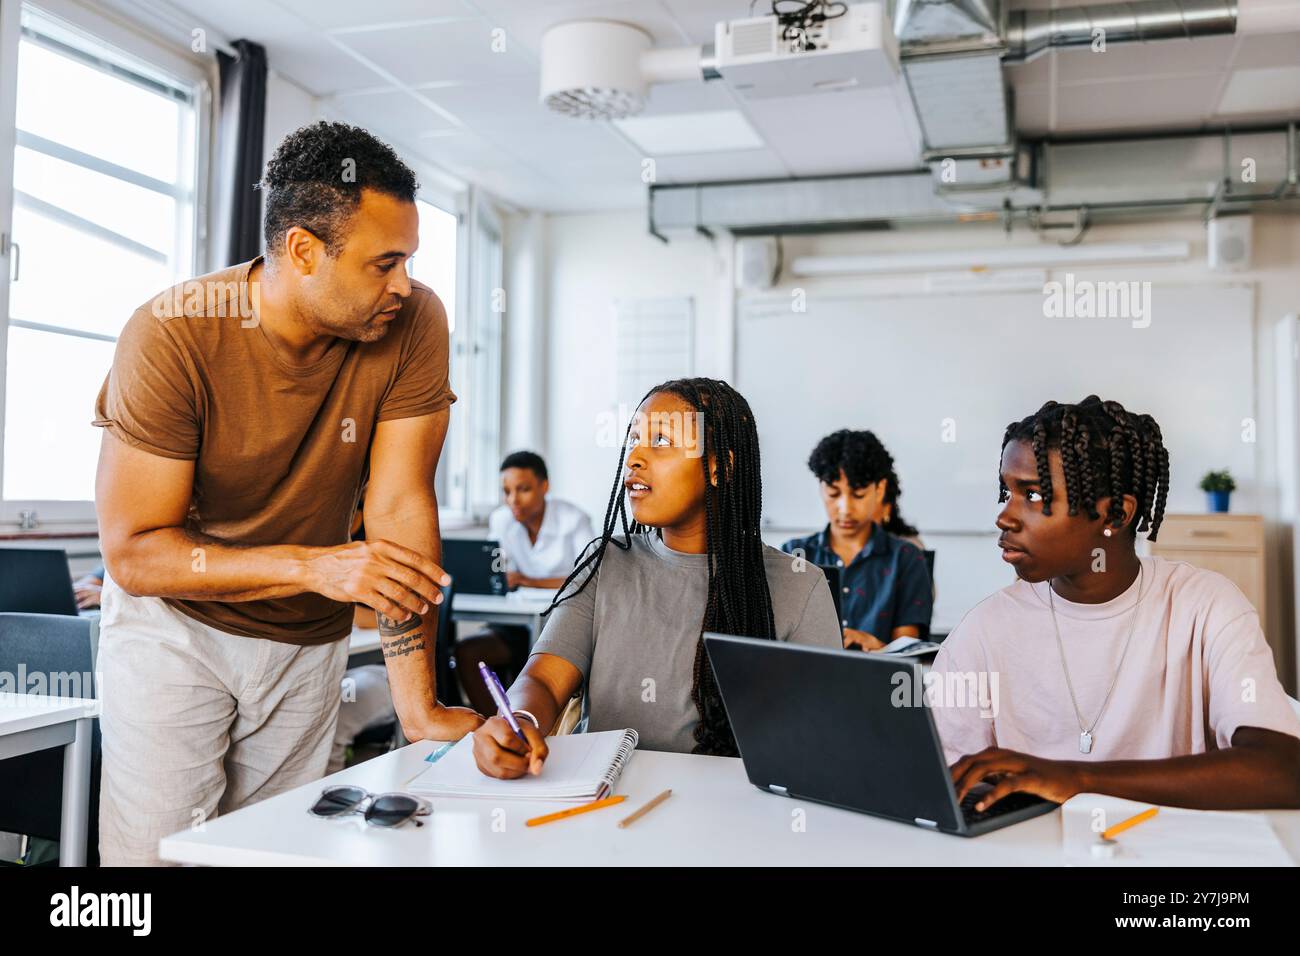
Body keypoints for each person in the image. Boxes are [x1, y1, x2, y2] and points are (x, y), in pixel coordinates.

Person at [92, 121, 481, 865]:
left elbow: (400, 506)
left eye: (409, 260)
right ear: (304, 251)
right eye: (384, 262)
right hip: (176, 627)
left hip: (305, 640)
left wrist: (418, 707)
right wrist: (314, 567)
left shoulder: (413, 320)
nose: (403, 283)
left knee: (273, 854)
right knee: (155, 858)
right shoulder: (171, 336)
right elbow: (135, 554)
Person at [932, 396, 1300, 812]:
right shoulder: (984, 630)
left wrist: (1076, 779)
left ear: (1115, 516)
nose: (1005, 517)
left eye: (1033, 496)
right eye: (1008, 492)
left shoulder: (1206, 606)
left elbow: (1283, 770)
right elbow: (940, 782)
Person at [470, 377, 842, 777]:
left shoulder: (800, 585)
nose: (635, 457)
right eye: (633, 440)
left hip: (733, 819)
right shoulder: (605, 561)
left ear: (719, 467)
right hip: (603, 807)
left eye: (661, 441)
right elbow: (543, 678)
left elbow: (825, 739)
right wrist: (522, 720)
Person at [455, 451, 594, 715]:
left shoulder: (574, 519)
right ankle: (498, 723)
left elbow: (588, 576)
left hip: (563, 624)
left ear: (544, 486)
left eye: (523, 489)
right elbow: (498, 572)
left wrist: (526, 580)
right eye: (506, 491)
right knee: (467, 652)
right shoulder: (501, 520)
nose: (512, 500)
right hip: (516, 624)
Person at [782, 429, 932, 650]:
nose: (845, 509)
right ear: (821, 489)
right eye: (834, 493)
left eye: (858, 495)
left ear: (879, 489)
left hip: (877, 679)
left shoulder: (906, 558)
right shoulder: (795, 553)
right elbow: (777, 639)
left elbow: (908, 650)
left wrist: (876, 647)